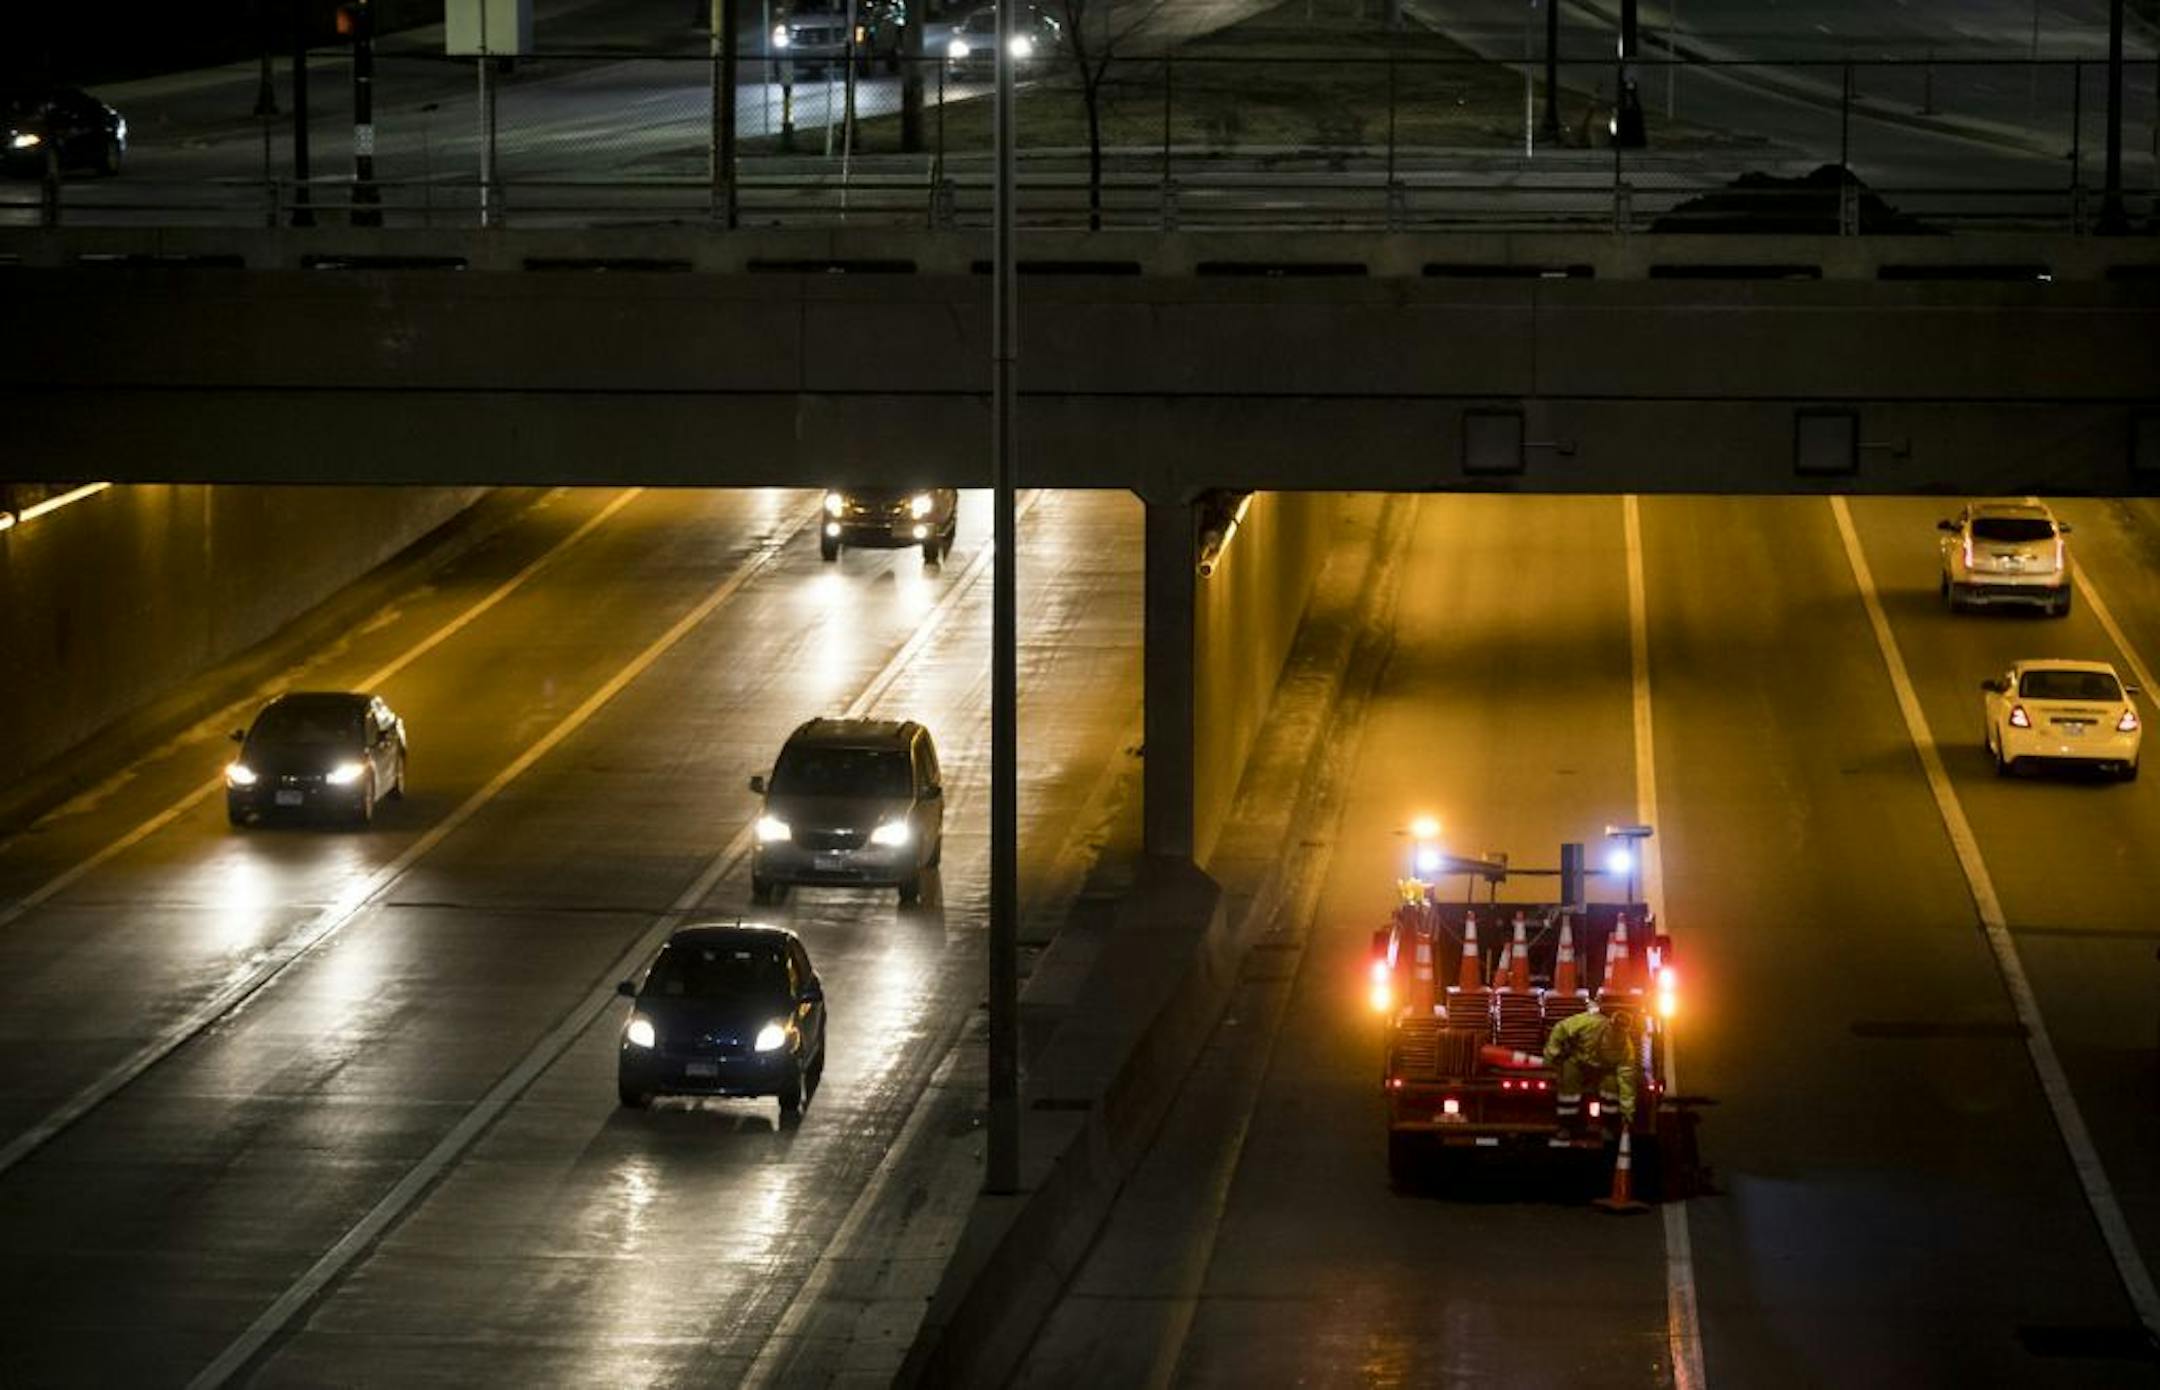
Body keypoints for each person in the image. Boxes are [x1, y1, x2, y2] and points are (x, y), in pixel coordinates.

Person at [1544, 1002, 1641, 1138]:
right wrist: (1552, 1055)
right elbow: (1561, 1028)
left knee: (1611, 1086)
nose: (1615, 1035)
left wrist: (1627, 1111)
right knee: (1568, 1081)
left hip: (1603, 1070)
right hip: (1578, 1063)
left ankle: (1609, 1126)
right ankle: (1566, 1125)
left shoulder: (1626, 1048)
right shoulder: (1588, 1022)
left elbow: (1626, 1079)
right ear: (1610, 1024)